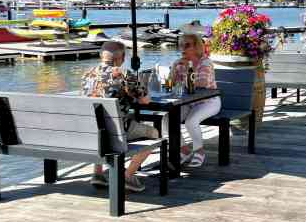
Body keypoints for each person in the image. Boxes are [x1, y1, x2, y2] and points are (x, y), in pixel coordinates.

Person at [81, 41, 159, 193]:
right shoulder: (124, 74)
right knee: (154, 133)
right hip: (117, 131)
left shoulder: (87, 74)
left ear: (101, 55)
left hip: (91, 130)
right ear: (121, 58)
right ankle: (128, 176)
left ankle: (97, 173)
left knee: (101, 125)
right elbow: (145, 100)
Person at [170, 33, 221, 168]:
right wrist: (174, 67)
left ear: (197, 47)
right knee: (167, 120)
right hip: (188, 102)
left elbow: (202, 83)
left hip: (209, 102)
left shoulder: (205, 62)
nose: (183, 48)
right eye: (181, 45)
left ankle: (199, 151)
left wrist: (187, 70)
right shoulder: (181, 63)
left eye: (187, 45)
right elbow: (172, 84)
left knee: (190, 121)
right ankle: (184, 150)